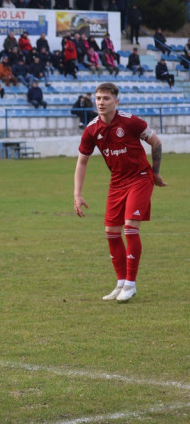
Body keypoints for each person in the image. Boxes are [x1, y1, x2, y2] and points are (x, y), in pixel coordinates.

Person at [73, 83, 166, 303]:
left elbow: (156, 142)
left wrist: (156, 172)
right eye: (98, 98)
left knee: (130, 227)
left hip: (140, 178)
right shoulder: (92, 129)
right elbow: (82, 161)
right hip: (117, 182)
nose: (101, 102)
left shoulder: (131, 122)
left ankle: (131, 284)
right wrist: (77, 194)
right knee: (111, 232)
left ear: (116, 101)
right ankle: (120, 282)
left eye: (106, 98)